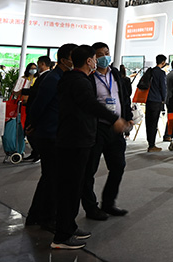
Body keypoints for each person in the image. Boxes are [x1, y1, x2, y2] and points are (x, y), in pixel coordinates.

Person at [52, 44, 130, 250]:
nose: (99, 61)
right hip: (75, 140)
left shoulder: (74, 79)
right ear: (89, 61)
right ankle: (62, 236)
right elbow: (90, 104)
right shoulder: (79, 81)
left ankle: (68, 227)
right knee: (71, 187)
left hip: (78, 138)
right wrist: (114, 119)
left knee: (74, 185)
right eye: (96, 57)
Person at [26, 44, 76, 230]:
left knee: (49, 177)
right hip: (49, 134)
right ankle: (47, 218)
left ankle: (35, 215)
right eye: (73, 58)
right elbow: (39, 105)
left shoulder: (64, 77)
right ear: (63, 60)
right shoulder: (53, 79)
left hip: (56, 133)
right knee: (53, 178)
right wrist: (32, 125)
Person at [81, 42, 133, 221]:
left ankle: (109, 203)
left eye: (107, 52)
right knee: (90, 170)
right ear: (93, 58)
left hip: (116, 128)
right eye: (100, 54)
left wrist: (128, 116)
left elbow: (124, 97)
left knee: (118, 166)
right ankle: (91, 207)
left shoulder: (115, 74)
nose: (105, 57)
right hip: (97, 128)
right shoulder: (89, 77)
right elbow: (89, 104)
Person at [145, 55, 168, 152]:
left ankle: (150, 142)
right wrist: (164, 99)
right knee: (154, 123)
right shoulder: (161, 73)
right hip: (156, 101)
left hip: (148, 100)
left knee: (148, 123)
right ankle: (152, 145)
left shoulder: (151, 71)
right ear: (163, 62)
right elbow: (163, 87)